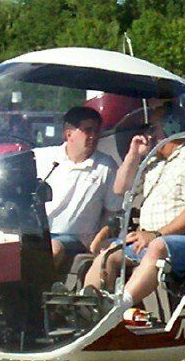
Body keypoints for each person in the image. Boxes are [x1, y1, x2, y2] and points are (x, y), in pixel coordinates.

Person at [83, 102, 185, 321]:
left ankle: (120, 306)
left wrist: (157, 234)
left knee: (158, 248)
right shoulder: (156, 163)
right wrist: (134, 154)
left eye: (152, 128)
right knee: (110, 253)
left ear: (171, 128)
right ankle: (87, 307)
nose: (148, 134)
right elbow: (121, 188)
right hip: (151, 240)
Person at [33, 106, 122, 268]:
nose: (93, 136)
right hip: (37, 233)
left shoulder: (106, 166)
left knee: (54, 248)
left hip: (76, 239)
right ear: (68, 134)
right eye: (88, 130)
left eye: (96, 131)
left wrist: (98, 240)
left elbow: (113, 212)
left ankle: (33, 292)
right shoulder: (41, 158)